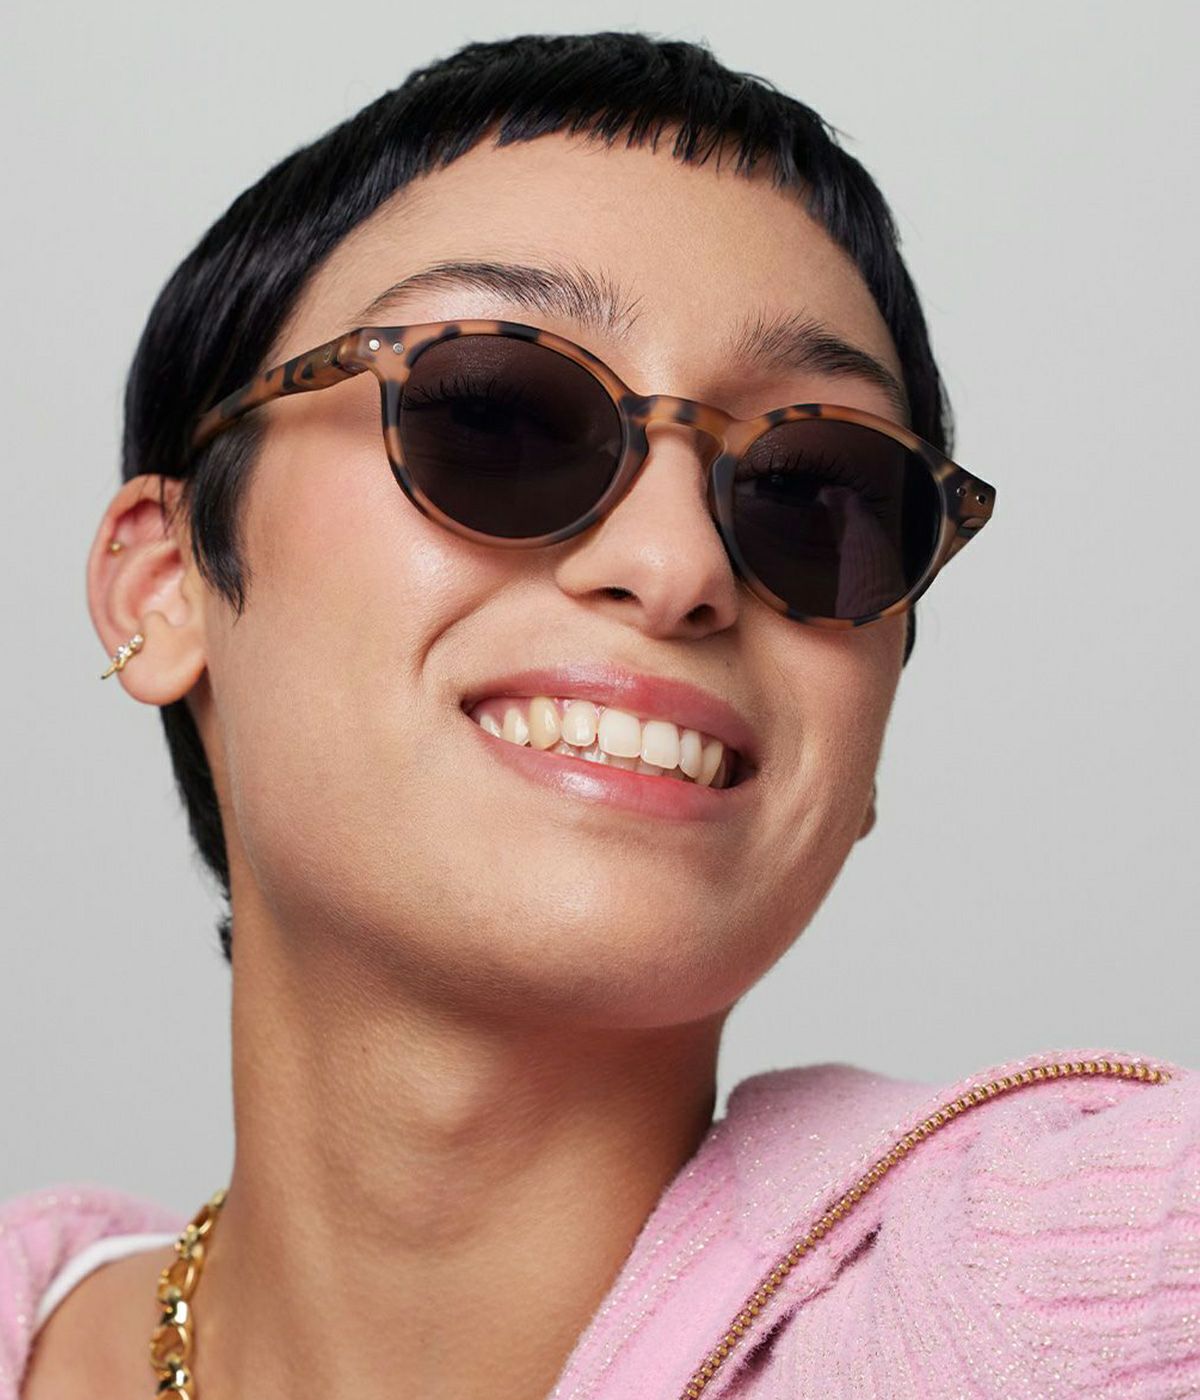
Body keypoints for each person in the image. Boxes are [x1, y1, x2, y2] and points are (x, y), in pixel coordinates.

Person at [3, 30, 1197, 1400]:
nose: (680, 564)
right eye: (497, 414)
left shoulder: (1088, 1297)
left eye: (815, 493)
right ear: (167, 588)